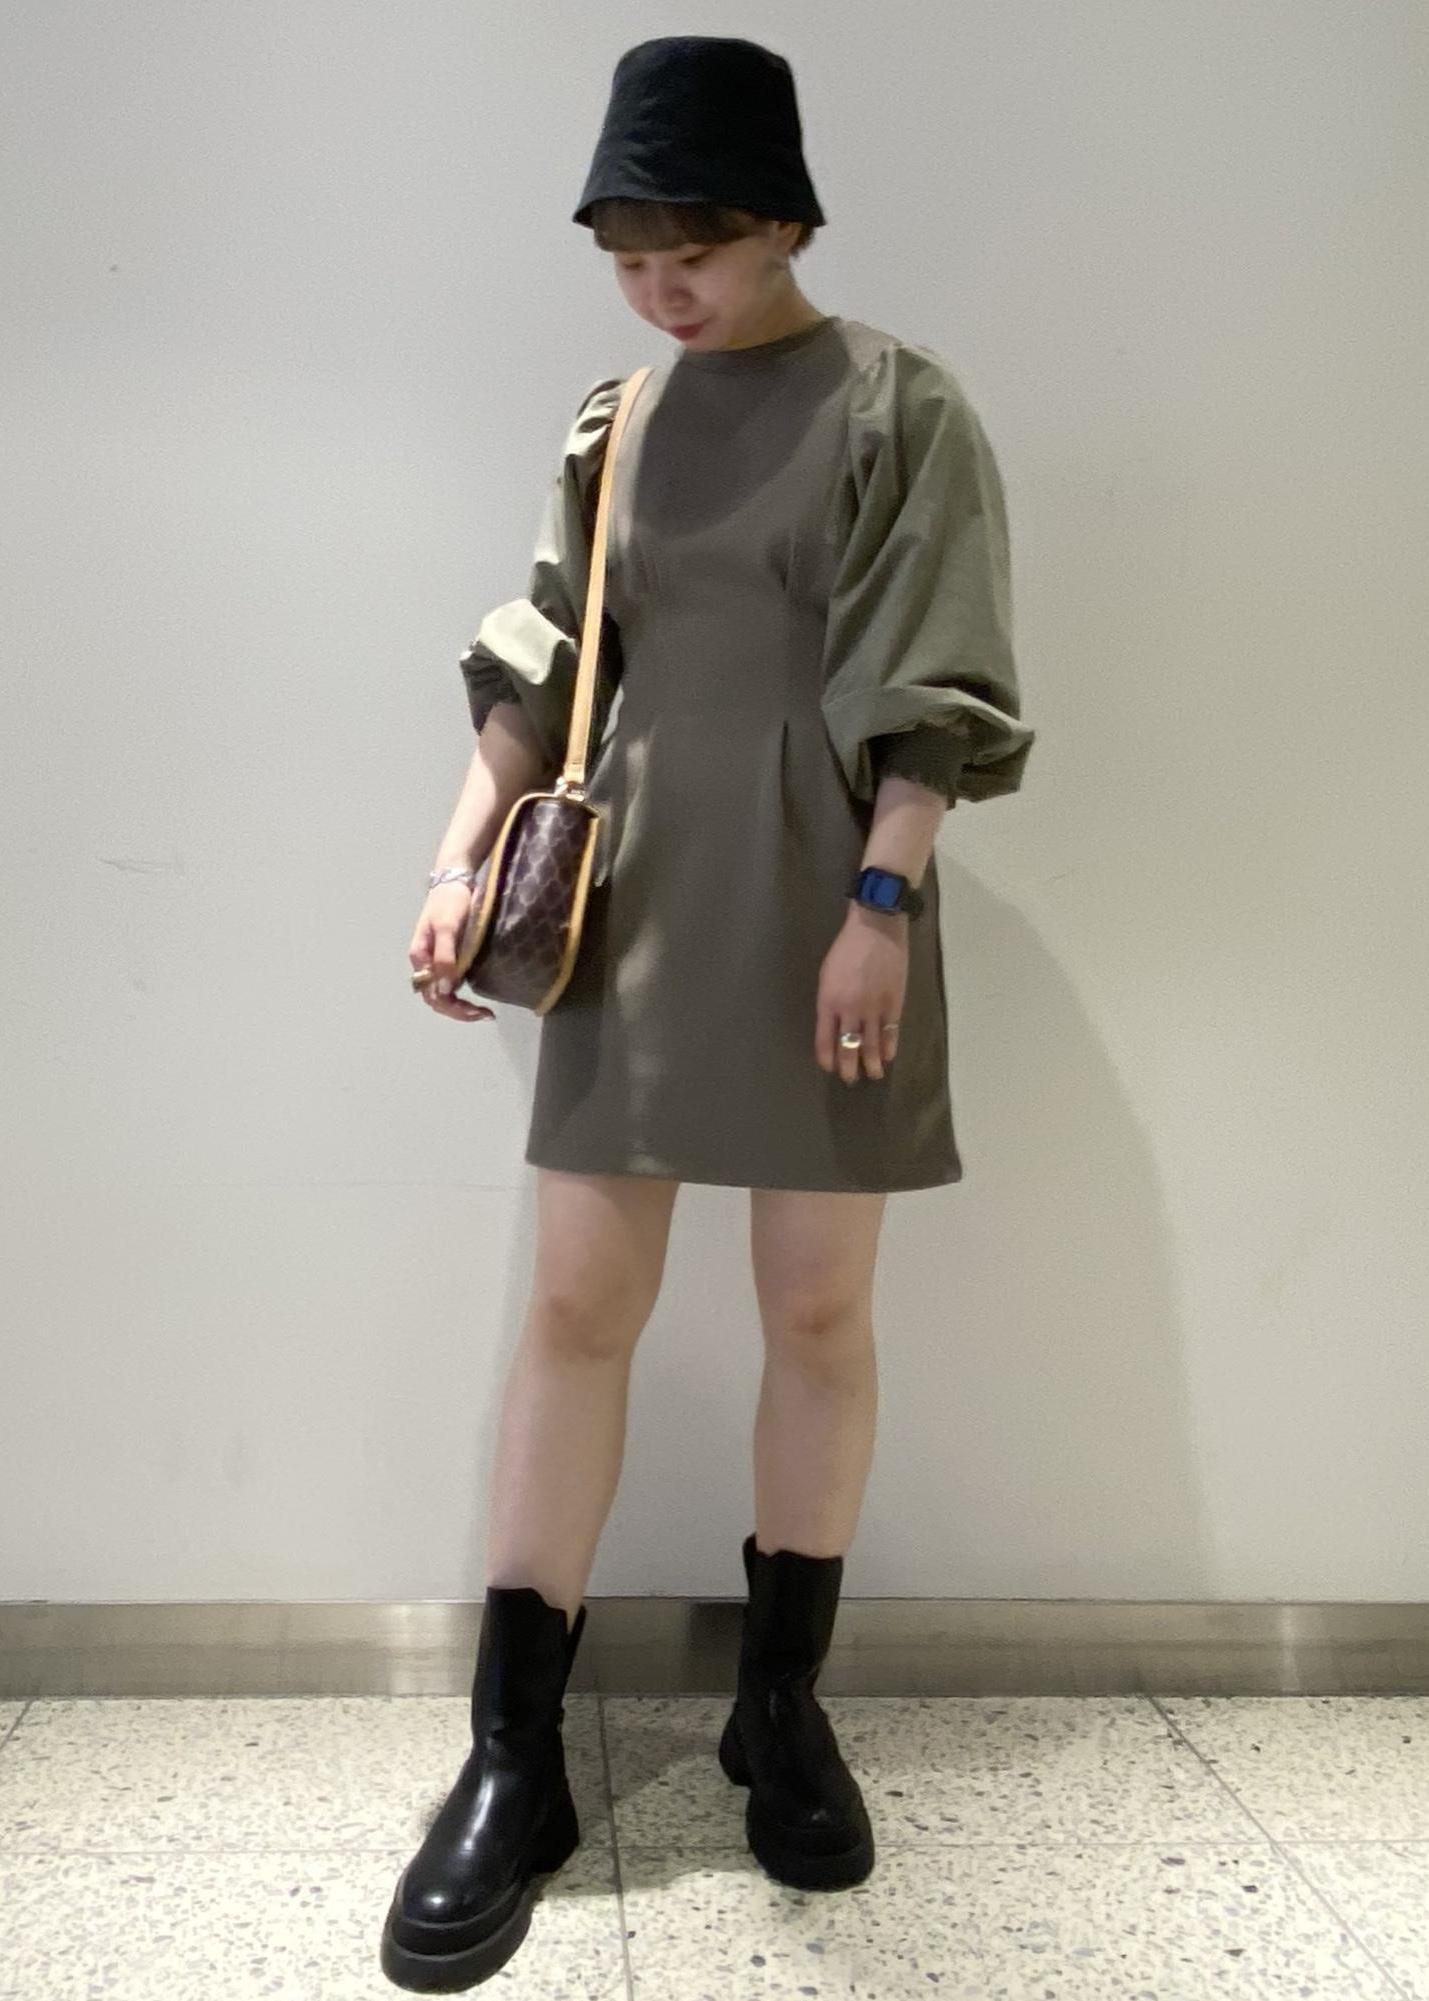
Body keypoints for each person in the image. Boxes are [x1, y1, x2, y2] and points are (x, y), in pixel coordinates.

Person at [381, 34, 1035, 1992]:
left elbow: (936, 682)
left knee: (817, 1311)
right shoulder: (618, 422)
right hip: (641, 895)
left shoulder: (900, 404)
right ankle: (512, 1753)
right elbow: (545, 666)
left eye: (698, 251)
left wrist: (879, 904)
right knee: (578, 1305)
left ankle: (778, 1708)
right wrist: (453, 857)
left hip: (830, 896)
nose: (663, 291)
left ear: (786, 224)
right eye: (631, 259)